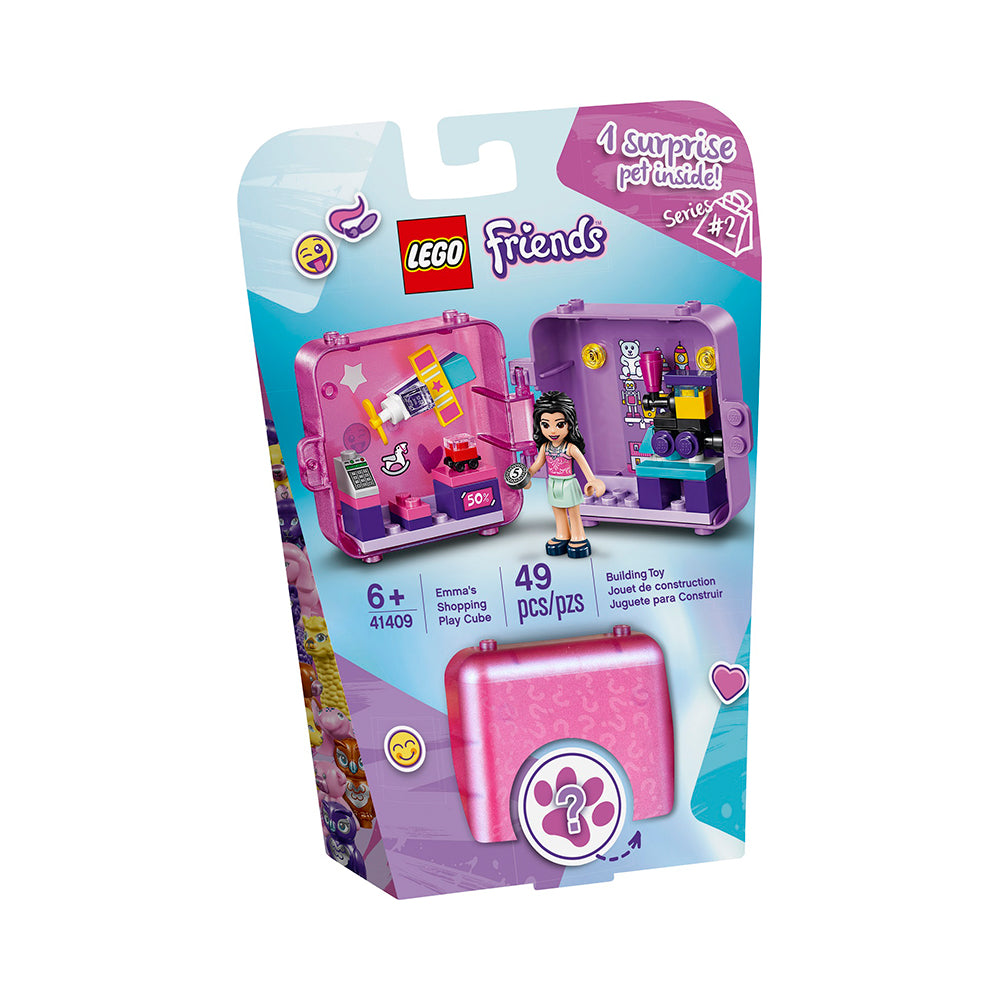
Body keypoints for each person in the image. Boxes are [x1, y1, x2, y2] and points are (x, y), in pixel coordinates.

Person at [524, 390, 606, 558]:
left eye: (559, 424)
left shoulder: (570, 448)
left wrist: (593, 481)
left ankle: (578, 536)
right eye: (546, 425)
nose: (553, 430)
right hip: (553, 483)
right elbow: (536, 465)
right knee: (558, 510)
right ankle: (562, 534)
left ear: (569, 424)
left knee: (573, 512)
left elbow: (584, 465)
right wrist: (526, 476)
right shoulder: (545, 447)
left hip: (568, 483)